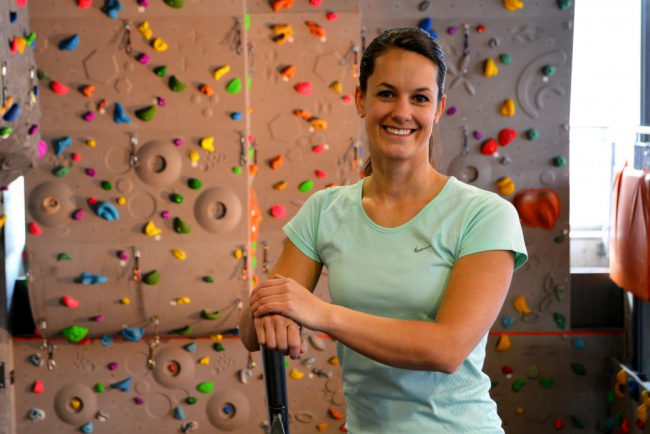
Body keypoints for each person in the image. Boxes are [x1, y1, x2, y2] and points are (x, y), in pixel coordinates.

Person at [240, 27, 528, 433]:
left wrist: (319, 313)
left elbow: (445, 349)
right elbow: (253, 331)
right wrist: (265, 308)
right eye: (386, 93)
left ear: (439, 107)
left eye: (420, 98)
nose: (402, 112)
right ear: (361, 99)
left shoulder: (484, 214)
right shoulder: (325, 210)